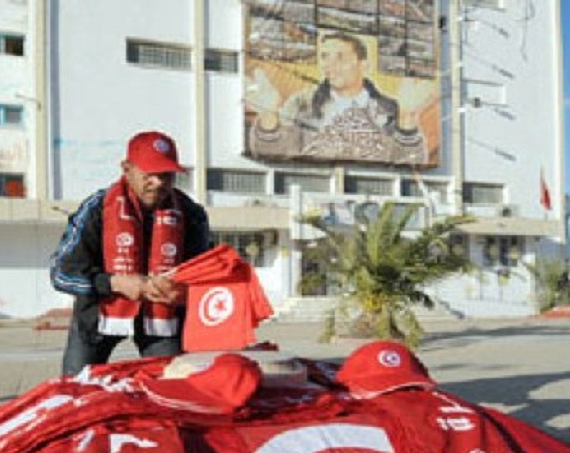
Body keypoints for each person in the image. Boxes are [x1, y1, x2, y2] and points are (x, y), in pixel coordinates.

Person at [50, 130, 212, 376]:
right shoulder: (96, 209)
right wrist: (113, 282)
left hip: (161, 319)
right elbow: (61, 274)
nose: (158, 182)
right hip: (99, 315)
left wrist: (182, 291)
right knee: (75, 388)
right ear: (127, 169)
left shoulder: (191, 214)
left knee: (173, 388)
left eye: (167, 175)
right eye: (150, 174)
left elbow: (204, 274)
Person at [245, 31, 435, 164]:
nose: (329, 65)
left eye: (340, 57)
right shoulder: (302, 103)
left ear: (364, 65)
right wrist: (269, 117)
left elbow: (410, 162)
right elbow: (274, 154)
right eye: (325, 57)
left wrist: (407, 118)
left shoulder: (391, 108)